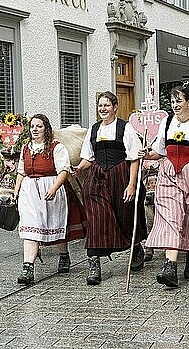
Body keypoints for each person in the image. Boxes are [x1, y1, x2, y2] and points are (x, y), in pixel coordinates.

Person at [138, 86, 189, 287]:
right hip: (168, 174)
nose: (175, 105)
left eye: (179, 101)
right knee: (171, 216)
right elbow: (160, 151)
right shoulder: (166, 122)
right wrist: (146, 155)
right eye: (173, 102)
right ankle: (170, 267)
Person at [72, 91, 147, 285]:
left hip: (120, 176)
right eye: (100, 106)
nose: (103, 109)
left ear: (114, 107)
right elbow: (88, 157)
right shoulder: (94, 129)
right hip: (97, 178)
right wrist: (78, 168)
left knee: (125, 214)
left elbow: (134, 158)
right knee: (96, 218)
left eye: (106, 105)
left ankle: (136, 245)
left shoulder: (126, 128)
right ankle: (94, 263)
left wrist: (131, 185)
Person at [13, 114, 85, 284]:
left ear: (46, 128)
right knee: (31, 227)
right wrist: (16, 192)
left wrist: (54, 188)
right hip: (29, 192)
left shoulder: (56, 147)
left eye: (39, 126)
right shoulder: (26, 148)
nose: (35, 130)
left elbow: (64, 170)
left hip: (52, 188)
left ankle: (64, 255)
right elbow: (21, 172)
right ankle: (28, 268)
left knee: (55, 223)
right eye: (32, 127)